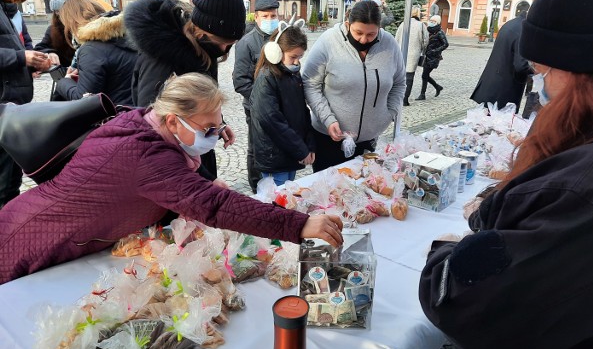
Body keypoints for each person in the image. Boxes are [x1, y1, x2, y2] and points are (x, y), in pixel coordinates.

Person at [419, 0, 593, 349]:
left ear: (574, 69)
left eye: (540, 72)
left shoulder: (588, 188)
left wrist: (446, 251)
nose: (539, 86)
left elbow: (465, 304)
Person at [0, 73, 344, 285]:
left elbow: (169, 186)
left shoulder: (144, 121)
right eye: (208, 127)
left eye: (218, 123)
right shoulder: (145, 156)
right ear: (174, 121)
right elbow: (213, 205)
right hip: (31, 242)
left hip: (64, 235)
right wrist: (299, 226)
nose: (215, 133)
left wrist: (208, 153)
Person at [125, 0, 243, 182]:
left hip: (195, 153)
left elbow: (202, 103)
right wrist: (205, 180)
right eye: (221, 42)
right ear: (199, 30)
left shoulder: (204, 50)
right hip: (173, 167)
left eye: (230, 45)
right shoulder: (162, 59)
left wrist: (218, 125)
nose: (223, 50)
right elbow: (152, 128)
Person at [302, 0, 405, 173]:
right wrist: (328, 119)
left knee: (363, 189)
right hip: (328, 138)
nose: (364, 39)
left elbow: (399, 82)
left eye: (371, 34)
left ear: (379, 28)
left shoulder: (390, 45)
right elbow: (310, 83)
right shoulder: (329, 41)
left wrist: (390, 113)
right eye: (358, 32)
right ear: (348, 23)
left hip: (368, 139)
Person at [0, 0, 51, 208]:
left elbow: (25, 45)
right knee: (2, 184)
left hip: (14, 106)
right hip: (4, 106)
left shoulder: (9, 9)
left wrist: (35, 61)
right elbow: (18, 53)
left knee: (11, 180)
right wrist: (22, 58)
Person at [250, 21, 314, 186]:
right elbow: (272, 121)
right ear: (276, 52)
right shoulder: (267, 78)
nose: (296, 62)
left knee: (287, 197)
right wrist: (301, 150)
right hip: (275, 158)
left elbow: (303, 112)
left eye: (300, 57)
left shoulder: (292, 75)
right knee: (277, 203)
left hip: (290, 153)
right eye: (293, 56)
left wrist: (309, 144)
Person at [232, 0, 280, 193]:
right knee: (256, 147)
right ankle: (256, 186)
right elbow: (240, 81)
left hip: (279, 105)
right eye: (266, 16)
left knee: (277, 143)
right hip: (256, 107)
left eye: (273, 15)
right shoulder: (246, 43)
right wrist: (262, 102)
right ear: (257, 17)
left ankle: (276, 182)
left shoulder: (281, 37)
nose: (270, 19)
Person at [55, 0, 137, 105]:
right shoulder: (128, 37)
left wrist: (64, 82)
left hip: (113, 116)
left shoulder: (91, 50)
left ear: (72, 22)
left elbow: (84, 100)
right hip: (134, 113)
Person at [470, 10, 531, 113]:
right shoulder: (524, 30)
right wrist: (540, 69)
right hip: (504, 92)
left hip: (492, 86)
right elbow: (521, 65)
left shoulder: (512, 23)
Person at [34, 0, 77, 67]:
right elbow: (39, 48)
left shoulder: (91, 27)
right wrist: (50, 53)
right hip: (65, 75)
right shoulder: (53, 29)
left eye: (62, 10)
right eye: (56, 11)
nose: (59, 15)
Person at [395, 6, 427, 106]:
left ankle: (396, 97)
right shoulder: (421, 25)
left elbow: (396, 38)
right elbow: (425, 40)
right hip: (414, 53)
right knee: (409, 77)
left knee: (399, 76)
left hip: (401, 52)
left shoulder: (403, 24)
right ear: (418, 13)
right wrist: (421, 48)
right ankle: (405, 99)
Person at [415, 15, 447, 100]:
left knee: (424, 75)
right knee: (425, 75)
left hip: (434, 57)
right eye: (431, 20)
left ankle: (423, 94)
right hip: (427, 56)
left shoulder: (440, 32)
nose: (431, 22)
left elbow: (445, 44)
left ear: (437, 22)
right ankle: (437, 87)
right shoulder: (428, 30)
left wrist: (435, 51)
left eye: (433, 21)